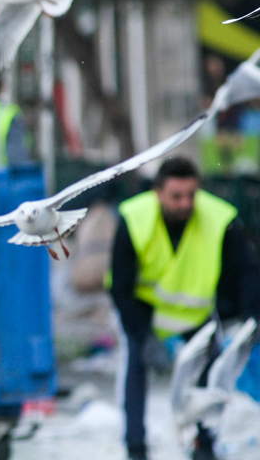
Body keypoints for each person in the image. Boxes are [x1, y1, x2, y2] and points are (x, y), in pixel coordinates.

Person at [108, 157, 260, 460]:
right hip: (144, 312)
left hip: (195, 316)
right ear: (158, 192)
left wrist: (252, 320)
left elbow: (247, 272)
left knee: (212, 373)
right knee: (135, 366)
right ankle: (135, 447)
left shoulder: (220, 218)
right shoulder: (134, 217)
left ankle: (204, 444)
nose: (185, 203)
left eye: (191, 195)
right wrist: (143, 334)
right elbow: (120, 287)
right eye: (176, 196)